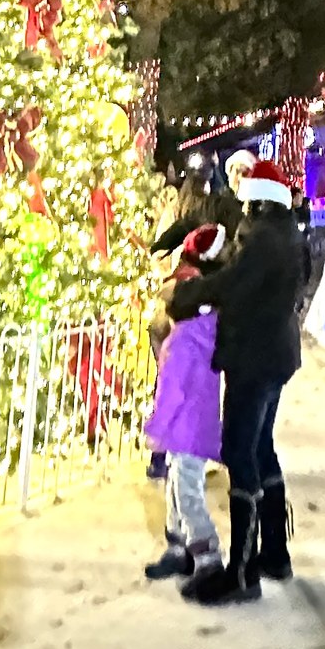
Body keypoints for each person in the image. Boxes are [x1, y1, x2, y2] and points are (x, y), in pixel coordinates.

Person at [168, 160, 310, 605]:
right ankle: (274, 553)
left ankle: (243, 571)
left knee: (240, 454)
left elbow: (236, 283)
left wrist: (188, 294)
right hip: (275, 354)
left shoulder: (264, 235)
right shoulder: (284, 231)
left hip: (255, 356)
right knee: (262, 448)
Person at [142, 224, 228, 584]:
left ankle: (206, 554)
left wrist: (156, 428)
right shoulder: (201, 330)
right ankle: (178, 547)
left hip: (186, 426)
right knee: (176, 485)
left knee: (186, 489)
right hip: (189, 425)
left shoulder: (186, 341)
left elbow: (172, 391)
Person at [153, 149, 255, 258]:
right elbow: (187, 223)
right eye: (236, 171)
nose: (240, 177)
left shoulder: (261, 207)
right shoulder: (216, 204)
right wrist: (159, 248)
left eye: (245, 172)